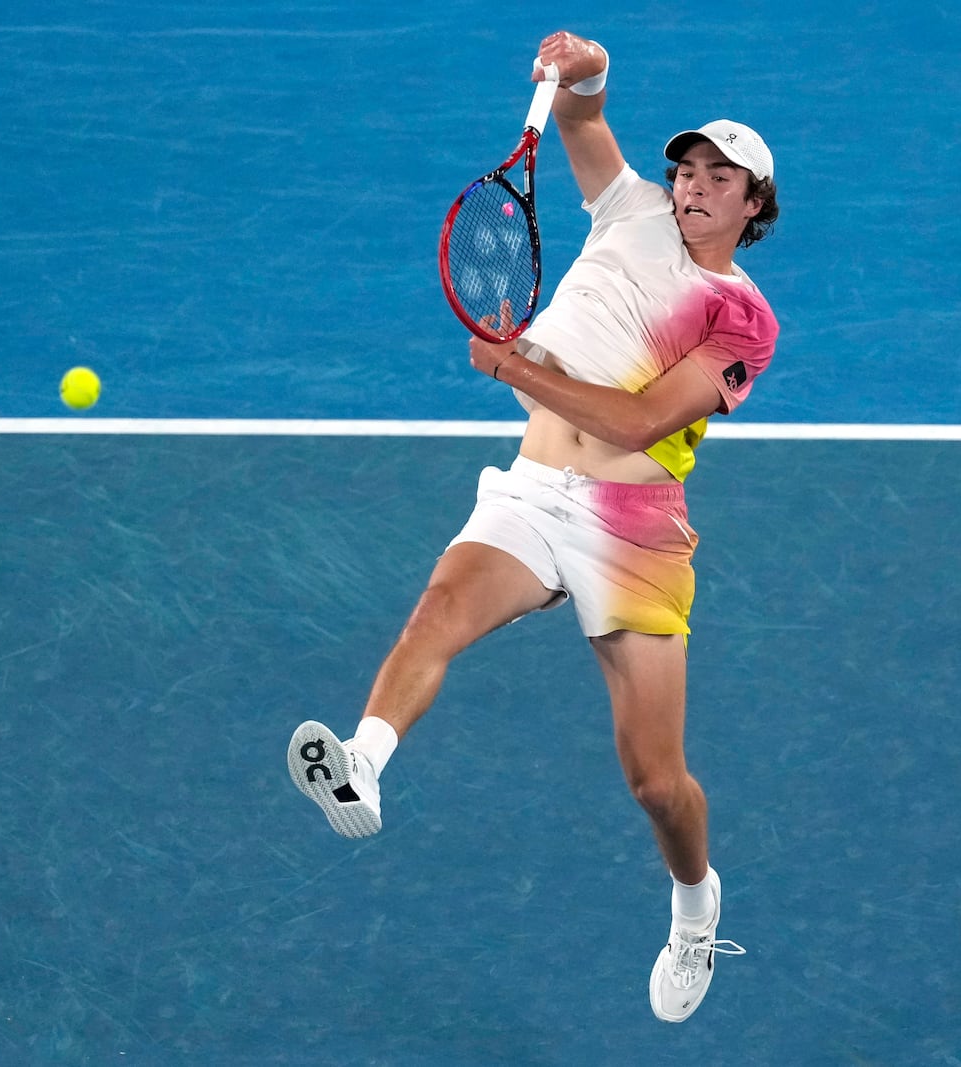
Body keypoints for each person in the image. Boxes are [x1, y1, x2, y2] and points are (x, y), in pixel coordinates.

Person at [287, 29, 780, 1023]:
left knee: (654, 781)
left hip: (633, 524)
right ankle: (364, 765)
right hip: (530, 490)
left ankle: (694, 905)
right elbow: (583, 112)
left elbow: (642, 420)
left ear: (752, 206)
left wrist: (514, 368)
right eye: (686, 169)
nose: (690, 187)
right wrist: (588, 62)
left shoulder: (742, 321)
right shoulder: (629, 205)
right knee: (438, 610)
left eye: (717, 180)